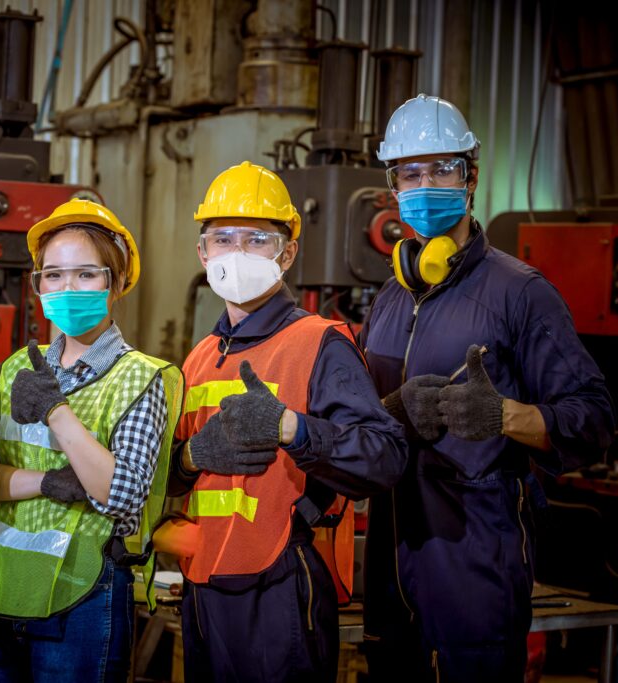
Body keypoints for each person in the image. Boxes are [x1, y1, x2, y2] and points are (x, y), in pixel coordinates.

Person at [359, 94, 616, 682]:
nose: (425, 184)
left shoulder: (519, 292)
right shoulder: (393, 295)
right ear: (393, 185)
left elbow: (595, 417)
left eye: (442, 169)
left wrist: (505, 417)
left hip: (475, 557)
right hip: (387, 558)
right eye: (410, 172)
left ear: (470, 178)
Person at [163, 161, 408, 682]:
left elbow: (384, 457)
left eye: (257, 239)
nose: (237, 253)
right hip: (204, 589)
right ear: (202, 252)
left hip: (280, 587)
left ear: (287, 253)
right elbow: (168, 478)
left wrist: (292, 429)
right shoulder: (200, 356)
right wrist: (189, 456)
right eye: (223, 238)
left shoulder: (320, 343)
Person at [0, 199, 182, 683]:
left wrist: (58, 413)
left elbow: (120, 495)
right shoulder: (22, 367)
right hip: (2, 586)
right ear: (38, 285)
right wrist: (49, 482)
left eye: (86, 275)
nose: (67, 288)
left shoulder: (140, 378)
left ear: (117, 282)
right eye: (54, 275)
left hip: (83, 596)